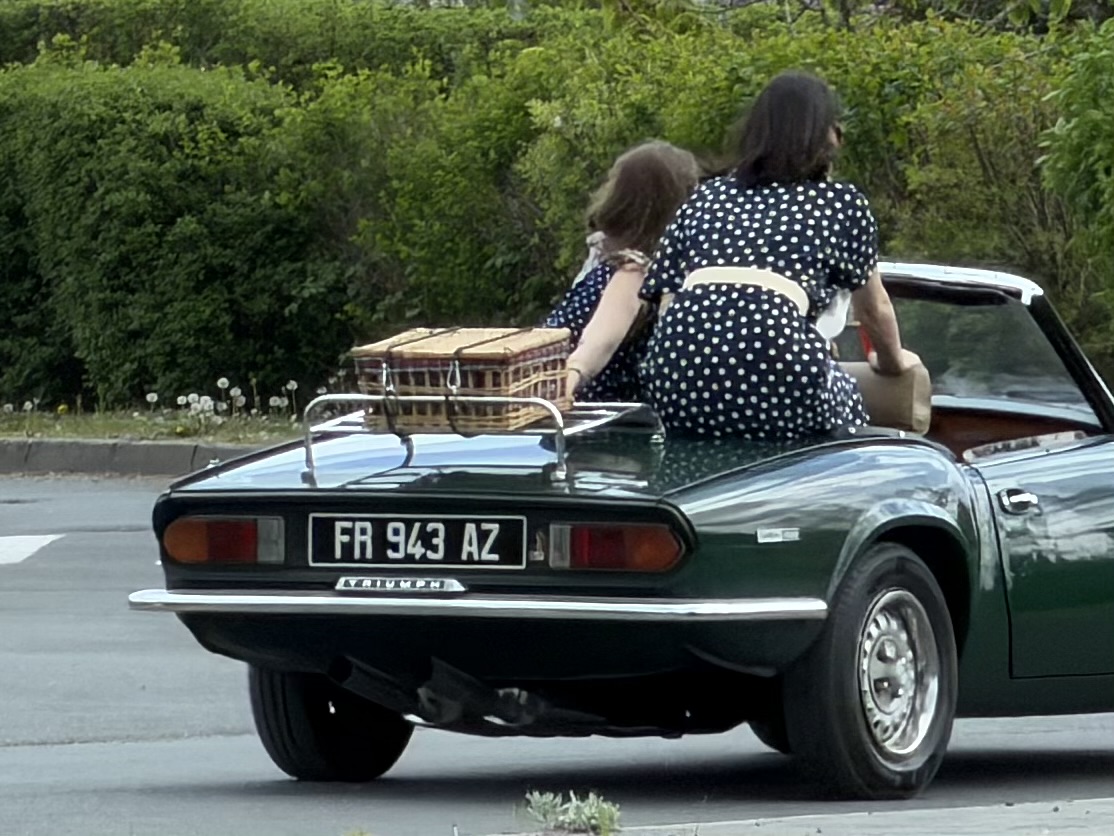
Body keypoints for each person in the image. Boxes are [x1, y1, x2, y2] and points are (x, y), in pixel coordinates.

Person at [567, 70, 918, 439]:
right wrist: (892, 363)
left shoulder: (705, 198)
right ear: (825, 137)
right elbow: (874, 310)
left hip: (675, 382)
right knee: (850, 412)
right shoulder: (841, 203)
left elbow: (670, 301)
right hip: (781, 382)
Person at [544, 140, 702, 402]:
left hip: (579, 416)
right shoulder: (659, 273)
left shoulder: (635, 271)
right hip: (590, 416)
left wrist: (564, 382)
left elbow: (600, 341)